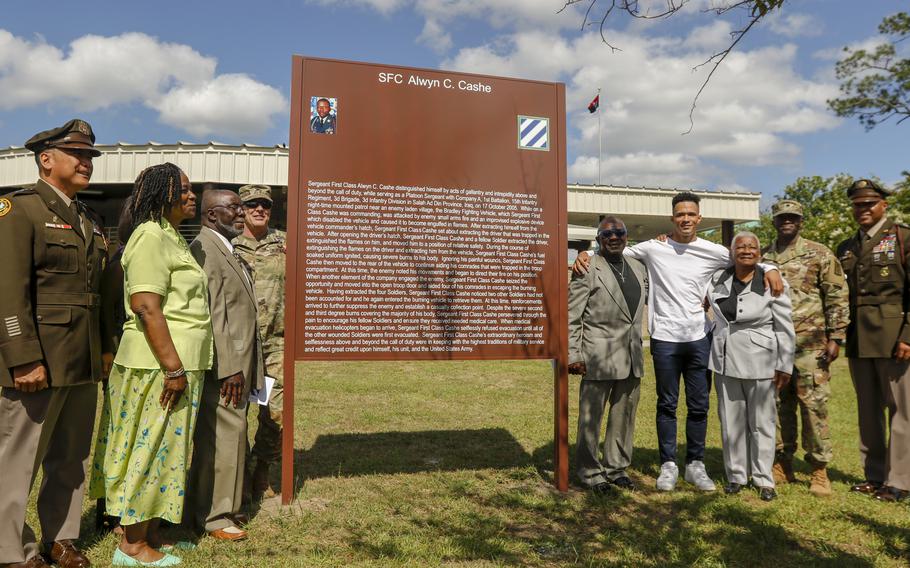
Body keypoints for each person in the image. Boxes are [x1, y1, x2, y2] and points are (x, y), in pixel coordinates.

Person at [573, 192, 783, 492]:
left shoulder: (713, 251)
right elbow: (614, 249)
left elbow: (746, 255)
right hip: (665, 339)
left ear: (699, 218)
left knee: (699, 406)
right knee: (667, 405)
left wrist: (772, 267)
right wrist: (586, 252)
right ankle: (668, 465)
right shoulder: (654, 247)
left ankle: (695, 465)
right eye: (680, 215)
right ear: (672, 218)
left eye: (691, 214)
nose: (685, 219)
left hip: (699, 337)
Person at [0, 119, 106, 568]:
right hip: (37, 361)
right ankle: (9, 549)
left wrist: (103, 351)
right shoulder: (17, 209)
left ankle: (61, 539)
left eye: (89, 157)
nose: (86, 163)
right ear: (47, 159)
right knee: (18, 460)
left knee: (70, 457)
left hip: (80, 362)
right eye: (77, 154)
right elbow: (8, 291)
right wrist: (22, 358)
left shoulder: (87, 219)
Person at [101, 162, 213, 566]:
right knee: (150, 451)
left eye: (191, 188)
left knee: (164, 450)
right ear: (159, 192)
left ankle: (146, 533)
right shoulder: (150, 235)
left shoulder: (171, 236)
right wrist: (174, 369)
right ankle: (132, 547)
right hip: (159, 366)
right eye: (181, 188)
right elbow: (146, 307)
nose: (191, 195)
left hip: (176, 362)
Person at [186, 190, 263, 541]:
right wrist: (229, 366)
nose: (242, 213)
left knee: (232, 437)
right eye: (233, 207)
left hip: (240, 365)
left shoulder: (226, 248)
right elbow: (213, 314)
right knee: (222, 439)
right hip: (226, 368)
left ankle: (224, 507)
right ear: (211, 215)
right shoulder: (206, 250)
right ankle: (214, 517)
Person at [761, 199, 849, 497]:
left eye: (793, 217)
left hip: (811, 345)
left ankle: (818, 469)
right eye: (782, 217)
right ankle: (781, 462)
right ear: (774, 221)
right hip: (774, 345)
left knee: (813, 406)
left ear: (800, 221)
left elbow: (836, 294)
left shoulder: (820, 253)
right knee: (777, 405)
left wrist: (836, 336)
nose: (787, 221)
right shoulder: (764, 256)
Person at [836, 179, 910, 503]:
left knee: (901, 411)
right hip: (858, 337)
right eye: (857, 205)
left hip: (894, 336)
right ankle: (874, 475)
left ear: (884, 205)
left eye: (869, 204)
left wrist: (908, 335)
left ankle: (899, 480)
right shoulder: (847, 246)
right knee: (867, 410)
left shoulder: (904, 237)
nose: (863, 209)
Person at [707, 232, 795, 502]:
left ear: (760, 253)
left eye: (752, 247)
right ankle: (735, 476)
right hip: (724, 358)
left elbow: (785, 325)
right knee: (731, 421)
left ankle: (764, 479)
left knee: (762, 423)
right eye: (740, 246)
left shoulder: (772, 282)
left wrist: (785, 364)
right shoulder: (717, 278)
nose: (746, 250)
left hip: (761, 360)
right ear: (731, 252)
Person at [568, 216, 648, 493]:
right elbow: (573, 315)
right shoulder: (587, 268)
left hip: (631, 357)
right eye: (607, 234)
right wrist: (573, 354)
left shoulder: (638, 267)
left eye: (619, 233)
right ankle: (590, 473)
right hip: (597, 356)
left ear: (627, 236)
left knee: (623, 417)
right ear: (598, 239)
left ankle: (616, 468)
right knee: (591, 418)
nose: (614, 237)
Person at [233, 184, 286, 499]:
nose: (259, 210)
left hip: (276, 342)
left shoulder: (283, 242)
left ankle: (262, 469)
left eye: (264, 205)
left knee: (274, 411)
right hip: (243, 344)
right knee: (238, 411)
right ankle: (237, 474)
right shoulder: (231, 246)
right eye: (252, 204)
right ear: (242, 208)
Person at [91, 196, 135, 532]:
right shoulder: (120, 261)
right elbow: (106, 312)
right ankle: (109, 509)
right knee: (117, 435)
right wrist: (107, 351)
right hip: (120, 359)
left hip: (134, 359)